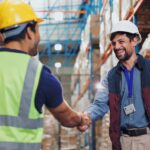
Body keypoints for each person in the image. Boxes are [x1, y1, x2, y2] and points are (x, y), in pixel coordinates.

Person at [0, 0, 88, 150]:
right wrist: (81, 119)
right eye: (37, 29)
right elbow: (67, 118)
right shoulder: (38, 74)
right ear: (29, 32)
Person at [78, 20, 150, 150]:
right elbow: (100, 104)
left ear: (134, 41)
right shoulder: (110, 77)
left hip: (147, 138)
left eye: (121, 42)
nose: (116, 47)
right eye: (114, 43)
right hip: (123, 141)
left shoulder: (148, 69)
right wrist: (87, 117)